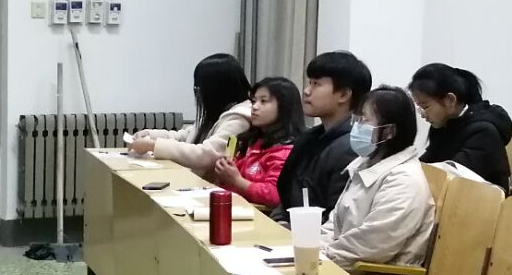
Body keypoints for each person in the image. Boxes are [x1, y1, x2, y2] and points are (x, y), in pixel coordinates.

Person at [321, 86, 436, 269]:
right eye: (356, 119)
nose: (356, 127)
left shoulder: (404, 181)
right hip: (341, 265)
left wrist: (322, 256)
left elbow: (372, 245)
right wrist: (313, 247)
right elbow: (335, 224)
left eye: (364, 120)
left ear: (389, 131)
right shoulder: (365, 165)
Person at [275, 51, 371, 220]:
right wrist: (279, 221)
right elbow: (287, 194)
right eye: (309, 82)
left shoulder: (353, 148)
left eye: (316, 84)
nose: (306, 91)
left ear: (343, 95)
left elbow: (337, 217)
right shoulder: (310, 137)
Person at [128, 53, 253, 169]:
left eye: (199, 88)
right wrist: (150, 135)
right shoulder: (217, 111)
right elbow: (185, 137)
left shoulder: (238, 118)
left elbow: (206, 155)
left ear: (215, 90)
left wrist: (153, 145)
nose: (198, 93)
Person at [409, 63, 511, 192]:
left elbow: (455, 173)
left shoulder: (484, 132)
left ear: (450, 100)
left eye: (425, 106)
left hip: (479, 200)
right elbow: (427, 164)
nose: (422, 114)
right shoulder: (444, 124)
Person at [208, 77, 303, 210]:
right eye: (254, 101)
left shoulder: (286, 150)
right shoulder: (251, 141)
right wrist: (223, 173)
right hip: (237, 209)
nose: (255, 107)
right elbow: (228, 185)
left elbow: (274, 196)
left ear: (284, 106)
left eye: (263, 101)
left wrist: (237, 180)